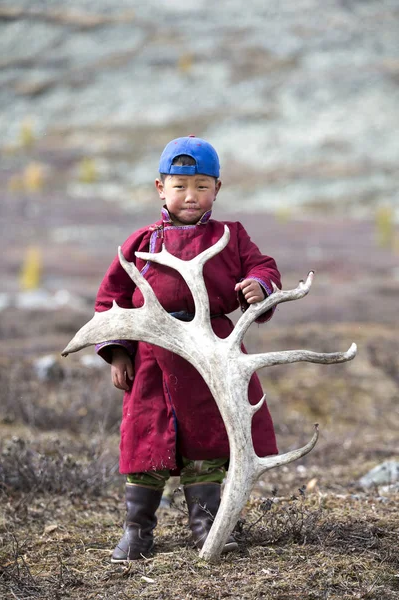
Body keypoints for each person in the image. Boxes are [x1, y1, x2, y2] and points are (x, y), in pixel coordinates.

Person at [94, 135, 281, 562]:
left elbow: (262, 266)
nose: (190, 196)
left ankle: (206, 525)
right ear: (160, 188)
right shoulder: (142, 241)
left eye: (201, 185)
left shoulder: (231, 237)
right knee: (145, 442)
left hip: (211, 354)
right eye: (179, 186)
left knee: (209, 438)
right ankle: (137, 533)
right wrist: (119, 352)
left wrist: (259, 285)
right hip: (151, 358)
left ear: (218, 188)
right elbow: (111, 299)